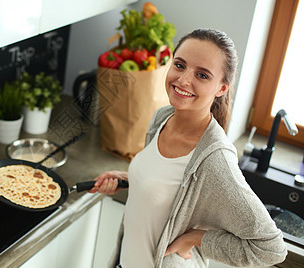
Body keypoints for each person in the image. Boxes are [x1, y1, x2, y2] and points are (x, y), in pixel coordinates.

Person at [89, 28, 287, 267]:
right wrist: (130, 178)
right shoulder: (162, 118)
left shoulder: (214, 160)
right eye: (180, 65)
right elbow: (172, 193)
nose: (183, 80)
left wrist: (196, 238)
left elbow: (272, 248)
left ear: (221, 88)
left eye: (202, 75)